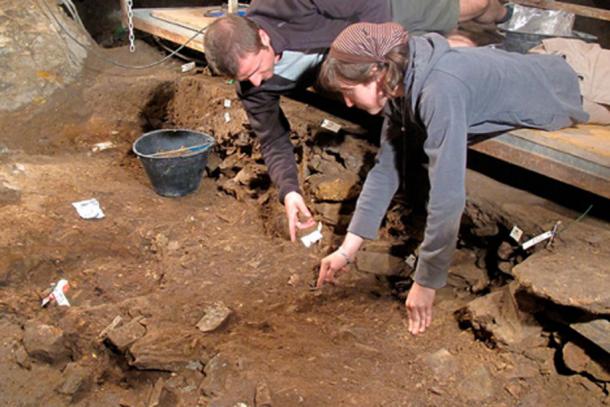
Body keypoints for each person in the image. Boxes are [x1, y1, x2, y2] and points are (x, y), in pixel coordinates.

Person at [315, 22, 589, 335]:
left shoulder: (439, 90)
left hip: (576, 83)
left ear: (377, 73)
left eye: (349, 93)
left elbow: (447, 195)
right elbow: (386, 168)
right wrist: (347, 250)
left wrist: (426, 280)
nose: (348, 103)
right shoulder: (399, 83)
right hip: (541, 63)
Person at [203, 0, 512, 242]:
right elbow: (272, 138)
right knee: (459, 48)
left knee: (477, 7)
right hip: (354, 59)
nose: (256, 83)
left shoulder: (287, 4)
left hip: (380, 13)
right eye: (244, 79)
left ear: (263, 37)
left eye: (256, 69)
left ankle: (509, 15)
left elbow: (368, 2)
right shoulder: (253, 85)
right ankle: (496, 52)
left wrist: (376, 61)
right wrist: (290, 190)